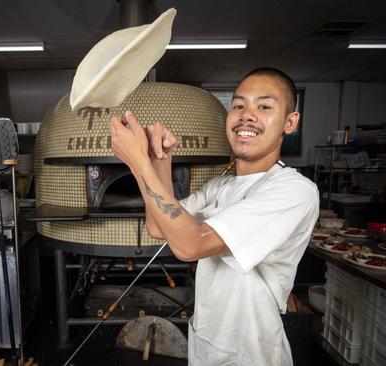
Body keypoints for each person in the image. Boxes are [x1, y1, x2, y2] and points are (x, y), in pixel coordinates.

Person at [109, 67, 319, 365]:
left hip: (250, 351)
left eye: (264, 106)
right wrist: (159, 160)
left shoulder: (293, 190)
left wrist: (138, 161)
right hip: (208, 341)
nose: (247, 115)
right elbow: (159, 226)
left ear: (290, 122)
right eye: (238, 105)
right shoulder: (221, 186)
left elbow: (190, 245)